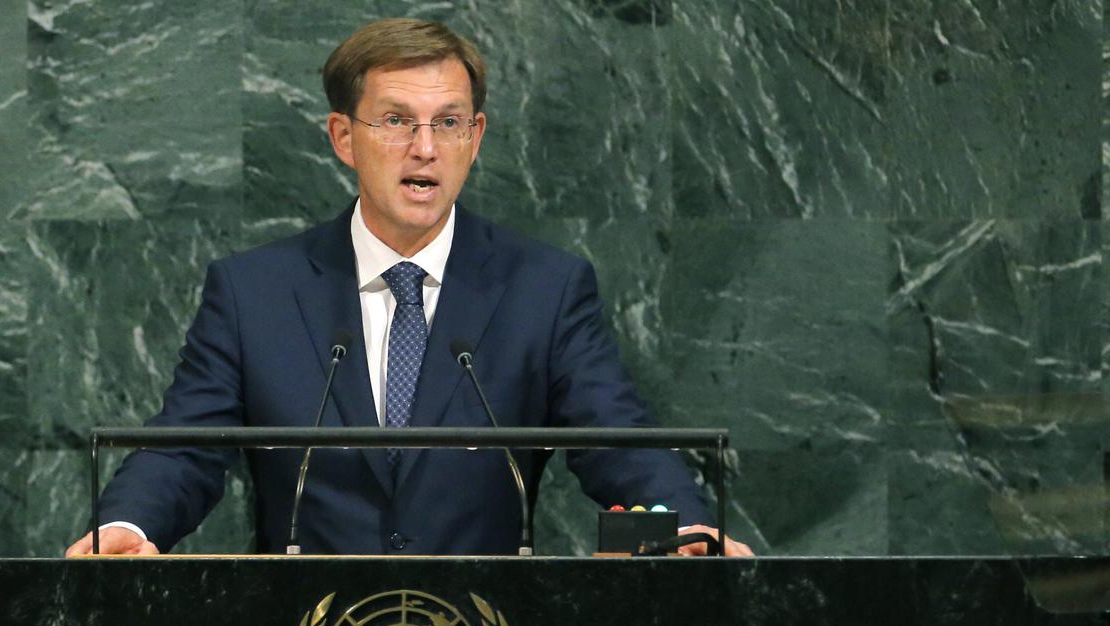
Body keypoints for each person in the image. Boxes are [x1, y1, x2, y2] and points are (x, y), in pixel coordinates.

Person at [66, 18, 752, 558]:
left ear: (474, 138)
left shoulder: (543, 289)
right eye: (396, 121)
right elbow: (185, 446)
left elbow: (619, 440)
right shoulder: (255, 293)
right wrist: (127, 524)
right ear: (343, 137)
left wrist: (686, 529)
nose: (425, 147)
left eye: (448, 123)